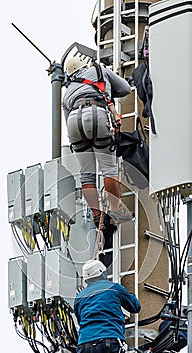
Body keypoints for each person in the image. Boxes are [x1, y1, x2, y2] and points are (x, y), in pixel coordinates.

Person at [62, 56, 133, 228]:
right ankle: (115, 211)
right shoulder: (98, 71)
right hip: (96, 113)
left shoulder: (67, 92)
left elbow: (66, 118)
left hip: (73, 122)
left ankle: (96, 215)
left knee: (86, 174)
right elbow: (126, 89)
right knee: (108, 167)